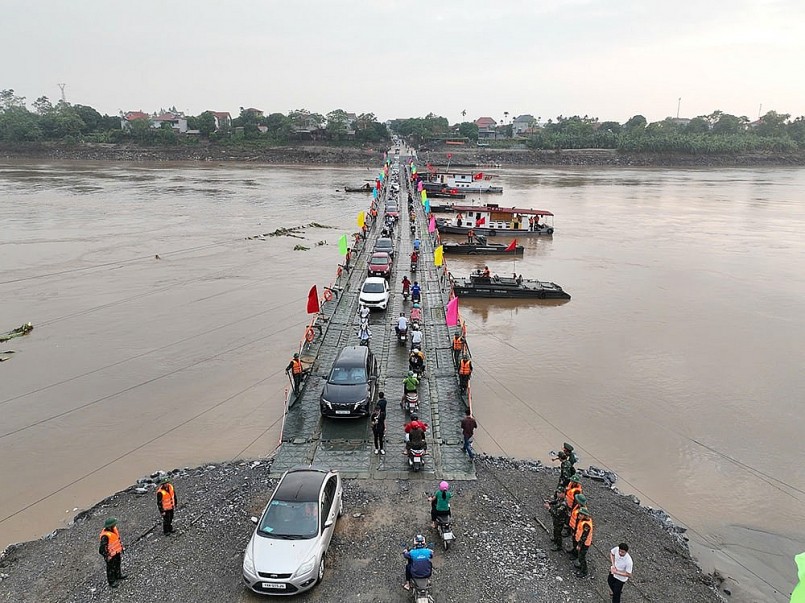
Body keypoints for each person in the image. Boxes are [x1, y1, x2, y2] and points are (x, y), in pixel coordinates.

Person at [98, 518, 126, 588]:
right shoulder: (105, 536)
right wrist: (106, 555)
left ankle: (118, 575)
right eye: (114, 524)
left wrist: (121, 549)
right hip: (110, 554)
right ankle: (111, 581)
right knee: (110, 568)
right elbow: (101, 549)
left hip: (116, 552)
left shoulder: (113, 530)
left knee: (117, 564)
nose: (115, 525)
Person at [573, 507, 594, 577]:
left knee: (582, 556)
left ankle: (584, 571)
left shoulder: (586, 525)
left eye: (581, 514)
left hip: (584, 544)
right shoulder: (584, 521)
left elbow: (584, 536)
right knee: (580, 555)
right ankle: (581, 565)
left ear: (584, 515)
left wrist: (579, 545)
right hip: (582, 542)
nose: (579, 516)